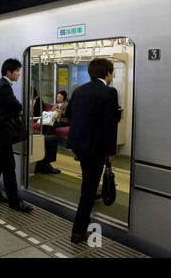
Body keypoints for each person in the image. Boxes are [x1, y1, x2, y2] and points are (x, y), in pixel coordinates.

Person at [65, 58, 120, 243]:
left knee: (88, 180)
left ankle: (88, 205)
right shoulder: (109, 92)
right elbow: (110, 125)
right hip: (95, 148)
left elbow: (68, 113)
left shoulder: (79, 89)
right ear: (108, 73)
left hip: (78, 145)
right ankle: (78, 231)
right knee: (89, 187)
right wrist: (111, 151)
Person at [0, 58, 33, 212]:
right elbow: (17, 105)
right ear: (9, 71)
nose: (19, 74)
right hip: (2, 132)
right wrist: (18, 106)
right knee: (9, 166)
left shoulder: (0, 84)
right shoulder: (5, 86)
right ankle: (14, 201)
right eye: (17, 71)